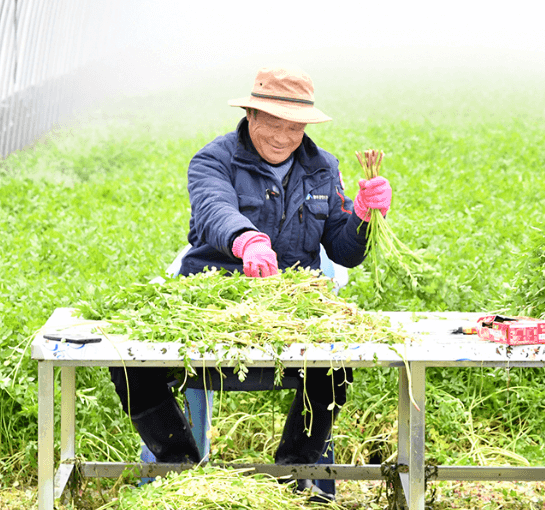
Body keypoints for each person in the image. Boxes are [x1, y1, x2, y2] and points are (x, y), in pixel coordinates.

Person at [109, 66, 392, 502]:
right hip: (211, 308)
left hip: (290, 314)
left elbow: (344, 250)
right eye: (273, 123)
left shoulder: (323, 168)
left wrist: (363, 217)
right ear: (250, 115)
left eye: (294, 127)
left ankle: (296, 473)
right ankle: (180, 469)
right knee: (129, 361)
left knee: (336, 363)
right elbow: (214, 208)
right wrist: (247, 240)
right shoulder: (214, 160)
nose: (283, 137)